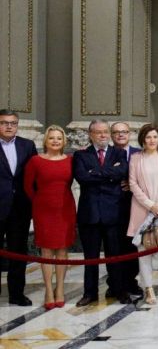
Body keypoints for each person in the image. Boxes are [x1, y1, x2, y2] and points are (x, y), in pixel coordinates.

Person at [73, 119, 130, 306]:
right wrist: (108, 173)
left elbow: (121, 172)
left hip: (114, 213)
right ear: (91, 135)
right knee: (91, 257)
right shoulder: (81, 156)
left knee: (115, 255)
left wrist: (96, 172)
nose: (103, 135)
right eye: (99, 132)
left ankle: (119, 290)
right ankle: (90, 293)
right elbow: (83, 178)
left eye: (106, 131)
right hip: (90, 214)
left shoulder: (119, 153)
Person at [23, 125, 75, 309]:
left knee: (62, 250)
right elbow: (28, 187)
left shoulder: (70, 161)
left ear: (64, 141)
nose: (55, 141)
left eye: (58, 138)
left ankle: (59, 289)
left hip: (65, 208)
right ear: (46, 140)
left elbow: (69, 183)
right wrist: (39, 202)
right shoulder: (35, 161)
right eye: (51, 138)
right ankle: (48, 290)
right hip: (43, 210)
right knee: (46, 251)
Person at [127, 124, 158, 304]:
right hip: (142, 209)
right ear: (142, 139)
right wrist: (150, 205)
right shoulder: (135, 158)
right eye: (148, 137)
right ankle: (148, 289)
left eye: (155, 137)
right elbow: (133, 184)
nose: (152, 140)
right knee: (144, 251)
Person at [0, 109, 37, 306]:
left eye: (12, 123)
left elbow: (35, 176)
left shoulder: (27, 145)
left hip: (20, 209)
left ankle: (16, 294)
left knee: (18, 252)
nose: (8, 126)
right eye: (4, 122)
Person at [111, 122, 143, 299]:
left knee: (133, 247)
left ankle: (131, 281)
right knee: (115, 248)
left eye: (123, 132)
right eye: (116, 132)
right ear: (111, 135)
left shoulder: (138, 153)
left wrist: (132, 186)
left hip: (136, 206)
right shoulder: (108, 153)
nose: (120, 135)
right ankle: (116, 284)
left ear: (129, 133)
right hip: (114, 207)